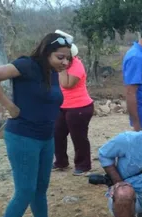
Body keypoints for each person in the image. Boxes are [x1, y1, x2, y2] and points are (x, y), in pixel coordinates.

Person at [0, 33, 74, 217]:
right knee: (24, 191)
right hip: (23, 137)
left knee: (40, 188)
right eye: (60, 57)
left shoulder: (51, 72)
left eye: (68, 59)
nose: (65, 63)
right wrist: (8, 106)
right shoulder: (27, 65)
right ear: (46, 52)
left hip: (45, 137)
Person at [53, 32, 94, 176]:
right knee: (57, 133)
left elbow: (67, 84)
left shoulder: (76, 65)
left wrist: (62, 68)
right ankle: (61, 161)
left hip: (79, 107)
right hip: (63, 106)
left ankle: (83, 165)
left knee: (79, 137)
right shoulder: (56, 64)